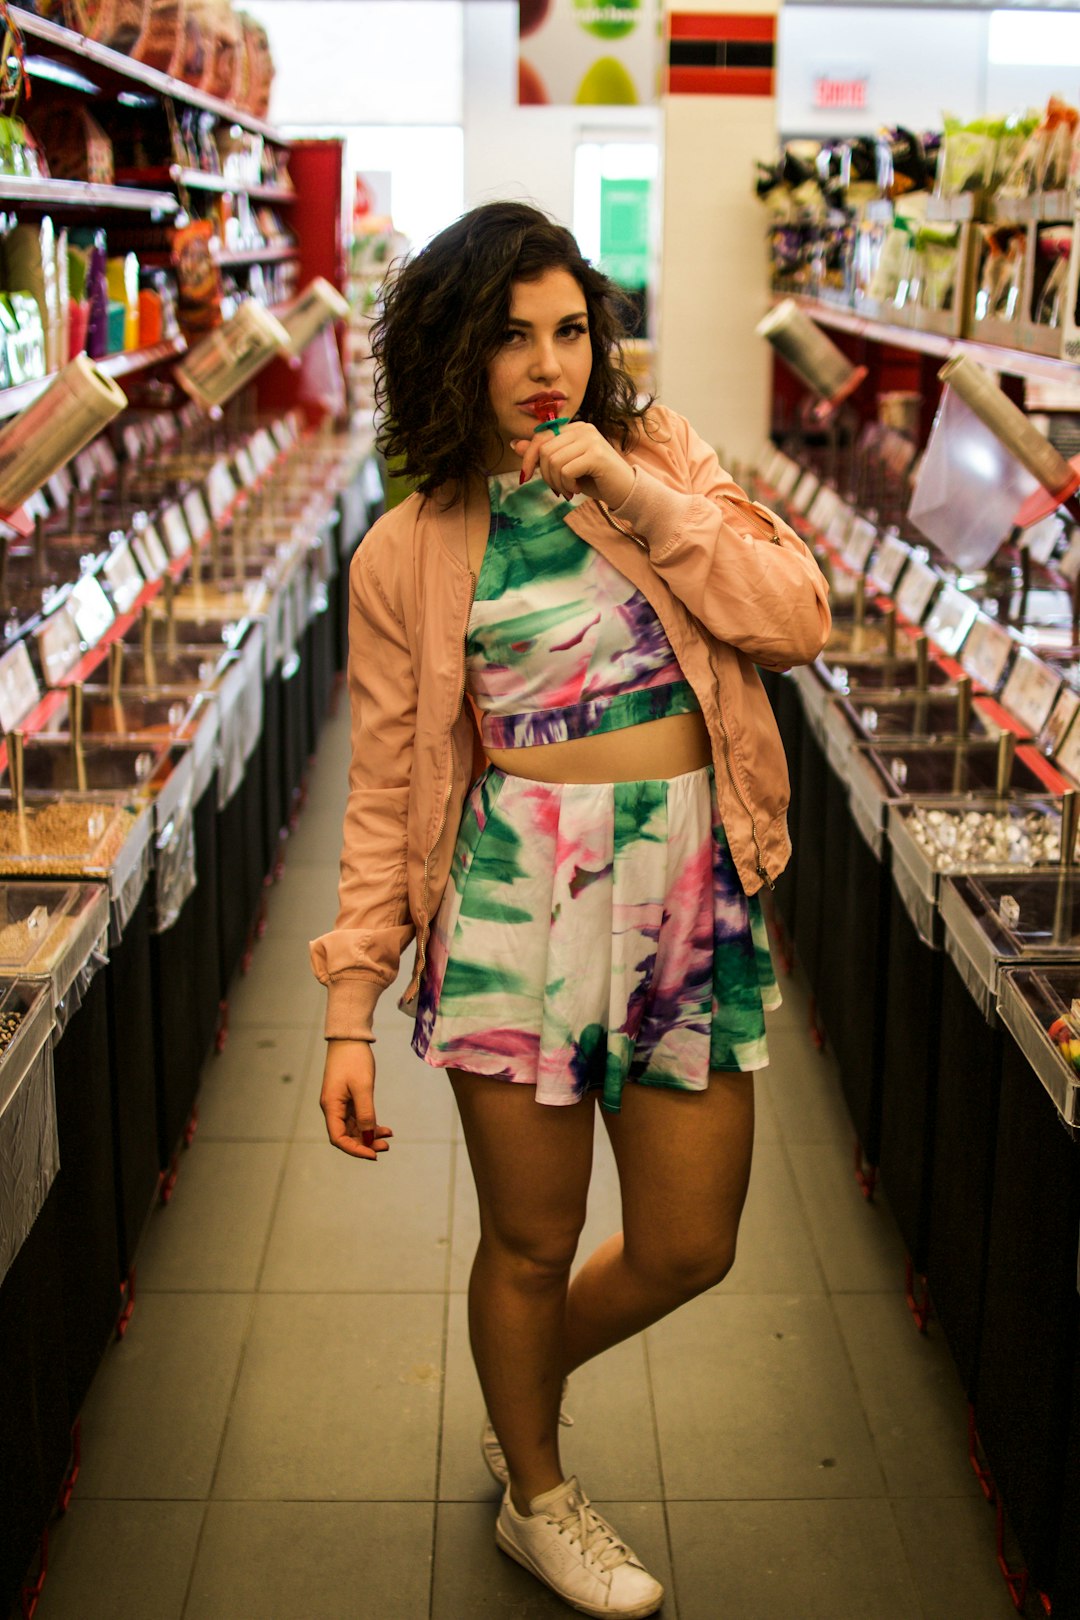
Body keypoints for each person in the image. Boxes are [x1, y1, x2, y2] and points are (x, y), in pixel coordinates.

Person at [310, 200, 831, 1618]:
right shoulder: (410, 550)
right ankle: (535, 1493)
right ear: (453, 353)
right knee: (528, 1242)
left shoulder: (661, 459)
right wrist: (351, 1009)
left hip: (681, 894)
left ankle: (519, 1386)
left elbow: (793, 619)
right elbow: (384, 796)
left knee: (689, 1244)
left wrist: (640, 490)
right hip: (511, 904)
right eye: (509, 335)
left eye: (570, 330)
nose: (547, 363)